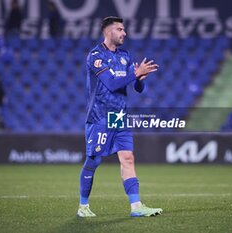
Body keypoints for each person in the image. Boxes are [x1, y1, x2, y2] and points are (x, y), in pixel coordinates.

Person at [77, 16, 162, 217]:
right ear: (108, 32)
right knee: (93, 161)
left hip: (120, 116)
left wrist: (140, 78)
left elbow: (137, 88)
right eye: (120, 29)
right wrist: (135, 74)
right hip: (100, 116)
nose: (124, 33)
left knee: (128, 158)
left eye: (124, 29)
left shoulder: (125, 55)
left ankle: (136, 207)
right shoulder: (96, 55)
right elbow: (112, 83)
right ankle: (83, 206)